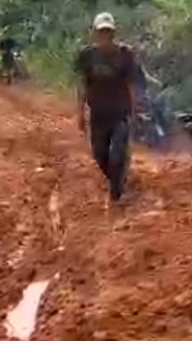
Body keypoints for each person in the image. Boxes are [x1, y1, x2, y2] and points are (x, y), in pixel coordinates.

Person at [74, 12, 139, 204]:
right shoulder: (87, 56)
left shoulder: (125, 54)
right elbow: (82, 84)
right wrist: (79, 112)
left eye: (108, 32)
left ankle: (117, 191)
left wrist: (134, 111)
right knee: (99, 154)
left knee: (117, 153)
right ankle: (116, 180)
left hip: (120, 112)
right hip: (98, 113)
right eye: (101, 32)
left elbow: (131, 84)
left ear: (113, 33)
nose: (105, 36)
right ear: (95, 33)